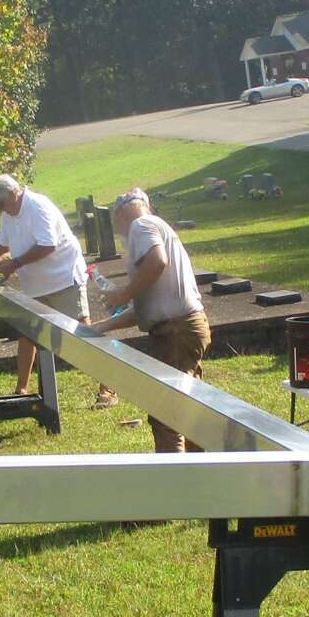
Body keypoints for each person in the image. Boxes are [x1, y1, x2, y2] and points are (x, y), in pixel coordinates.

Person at [89, 188, 210, 453]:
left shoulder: (141, 226)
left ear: (120, 215)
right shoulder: (153, 227)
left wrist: (122, 294)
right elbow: (147, 309)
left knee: (166, 413)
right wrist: (104, 326)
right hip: (182, 328)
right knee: (189, 408)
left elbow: (157, 262)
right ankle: (200, 471)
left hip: (175, 332)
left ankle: (177, 480)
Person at [0, 174, 115, 407]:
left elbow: (47, 245)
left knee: (82, 331)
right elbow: (2, 244)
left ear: (13, 193)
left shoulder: (38, 206)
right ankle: (21, 390)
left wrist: (14, 264)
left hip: (64, 277)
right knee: (28, 332)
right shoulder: (8, 212)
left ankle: (108, 388)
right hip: (35, 283)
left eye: (0, 203)